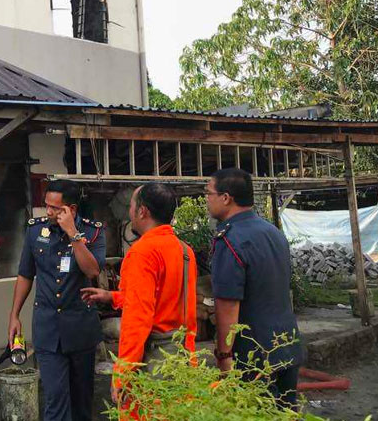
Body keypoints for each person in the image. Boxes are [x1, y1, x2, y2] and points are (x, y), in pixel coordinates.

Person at [81, 183, 198, 403]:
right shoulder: (184, 250)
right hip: (182, 357)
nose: (129, 212)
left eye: (131, 206)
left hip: (152, 363)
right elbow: (167, 299)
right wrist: (112, 297)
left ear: (142, 211)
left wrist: (122, 375)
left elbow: (137, 321)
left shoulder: (142, 253)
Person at [8, 179, 106, 421]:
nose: (49, 212)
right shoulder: (35, 230)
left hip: (80, 329)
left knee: (82, 401)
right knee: (55, 398)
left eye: (55, 208)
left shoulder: (93, 232)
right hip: (47, 328)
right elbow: (25, 274)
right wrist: (14, 315)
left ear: (71, 210)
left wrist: (73, 234)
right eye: (46, 206)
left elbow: (92, 271)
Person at [207, 168, 302, 409]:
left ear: (226, 198)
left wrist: (224, 356)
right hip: (287, 343)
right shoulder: (273, 232)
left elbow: (228, 304)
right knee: (285, 412)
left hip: (254, 354)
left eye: (209, 193)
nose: (206, 199)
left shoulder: (229, 240)